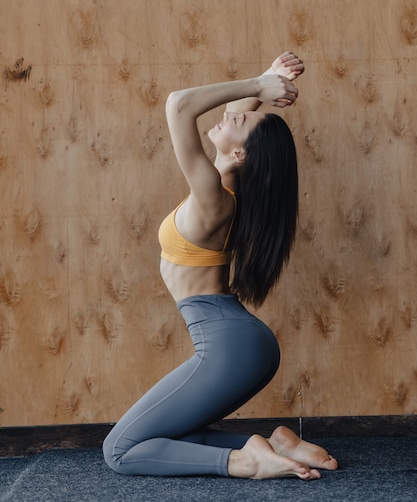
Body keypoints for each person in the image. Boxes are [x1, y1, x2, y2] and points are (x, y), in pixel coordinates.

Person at [103, 52, 338, 480]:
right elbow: (235, 112)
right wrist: (266, 80)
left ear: (242, 153)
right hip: (241, 344)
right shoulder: (224, 185)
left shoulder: (214, 195)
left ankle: (245, 462)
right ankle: (281, 445)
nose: (229, 118)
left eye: (239, 124)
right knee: (163, 436)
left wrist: (256, 87)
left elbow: (178, 104)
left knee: (119, 451)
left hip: (230, 348)